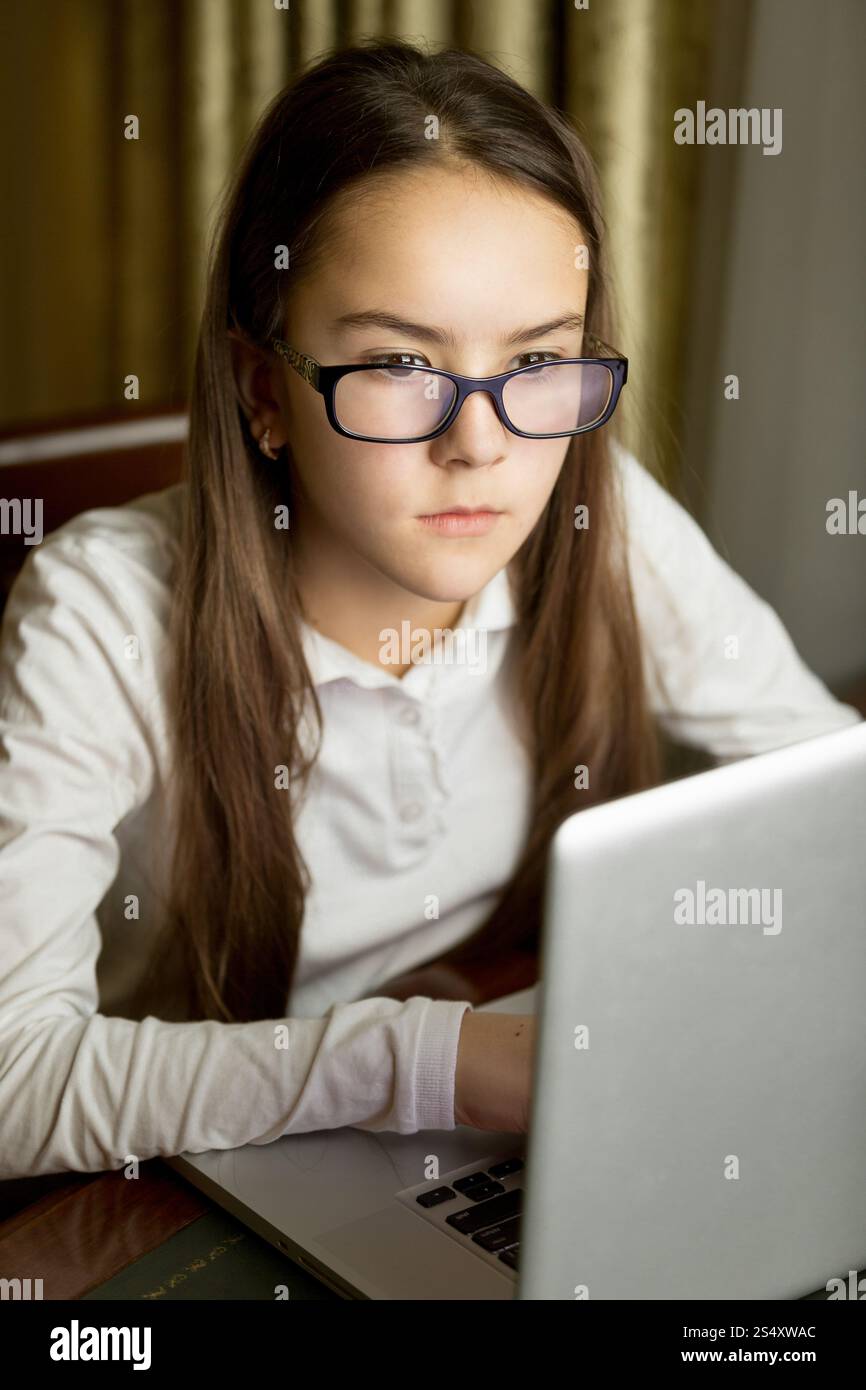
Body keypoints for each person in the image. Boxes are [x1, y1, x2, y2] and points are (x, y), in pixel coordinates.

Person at [0, 39, 859, 1181]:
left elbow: (825, 794)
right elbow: (14, 1082)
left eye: (539, 359)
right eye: (401, 363)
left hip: (455, 1116)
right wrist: (429, 1061)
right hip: (173, 1175)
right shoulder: (98, 610)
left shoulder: (596, 524)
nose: (483, 444)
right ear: (266, 391)